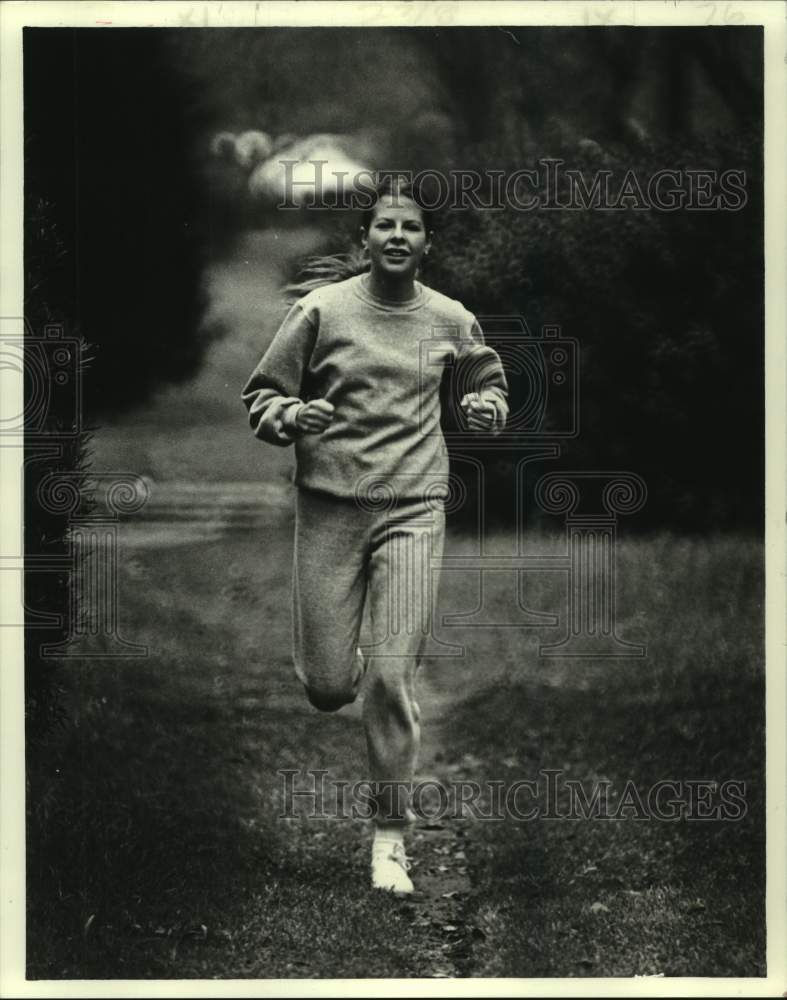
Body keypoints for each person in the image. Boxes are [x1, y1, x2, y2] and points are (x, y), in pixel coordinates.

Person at [241, 177, 509, 895]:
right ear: (364, 238)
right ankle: (345, 662)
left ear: (427, 244)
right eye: (384, 224)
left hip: (413, 508)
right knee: (330, 687)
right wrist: (290, 418)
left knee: (390, 677)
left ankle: (389, 842)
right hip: (331, 508)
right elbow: (261, 395)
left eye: (410, 227)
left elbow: (486, 376)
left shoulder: (449, 317)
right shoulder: (320, 311)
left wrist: (486, 404)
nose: (397, 236)